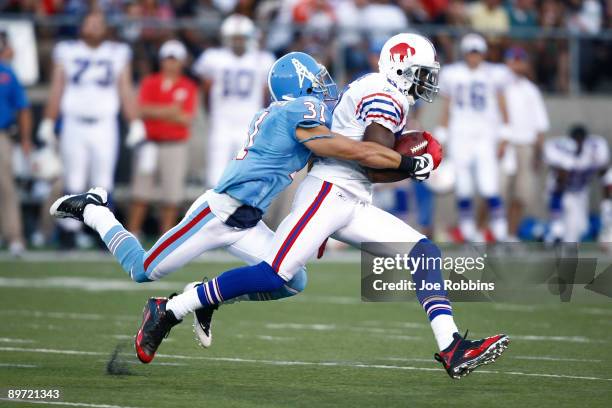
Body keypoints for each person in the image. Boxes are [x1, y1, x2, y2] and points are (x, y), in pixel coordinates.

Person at [153, 34, 509, 379]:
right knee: (275, 274)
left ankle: (451, 346)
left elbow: (370, 166)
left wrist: (408, 165)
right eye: (423, 72)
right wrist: (415, 166)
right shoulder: (385, 94)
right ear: (402, 68)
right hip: (329, 192)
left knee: (424, 252)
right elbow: (371, 163)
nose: (428, 80)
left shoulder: (382, 90)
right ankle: (172, 309)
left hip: (350, 197)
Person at [49, 51, 428, 351]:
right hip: (217, 214)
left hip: (248, 221)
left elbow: (324, 164)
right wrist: (405, 161)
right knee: (142, 269)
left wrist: (325, 224)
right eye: (316, 80)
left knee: (291, 279)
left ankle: (204, 297)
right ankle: (95, 210)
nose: (324, 87)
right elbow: (344, 149)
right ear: (299, 87)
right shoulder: (297, 111)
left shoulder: (292, 115)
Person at [38, 10, 144, 248]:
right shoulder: (67, 51)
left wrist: (135, 121)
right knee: (73, 179)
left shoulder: (117, 52)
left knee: (103, 181)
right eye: (90, 22)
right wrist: (48, 120)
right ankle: (68, 234)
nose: (94, 27)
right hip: (73, 123)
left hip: (104, 124)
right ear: (81, 26)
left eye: (99, 23)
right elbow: (57, 88)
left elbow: (125, 90)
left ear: (106, 28)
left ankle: (103, 234)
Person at [437, 33, 511, 242]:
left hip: (485, 134)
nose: (473, 57)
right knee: (464, 186)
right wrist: (441, 134)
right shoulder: (453, 73)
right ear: (464, 53)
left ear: (483, 53)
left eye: (477, 52)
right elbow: (446, 107)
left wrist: (505, 133)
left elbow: (503, 103)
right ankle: (469, 233)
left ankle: (500, 232)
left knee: (489, 185)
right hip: (459, 133)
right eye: (470, 52)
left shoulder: (495, 73)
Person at [193, 14, 275, 187]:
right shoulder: (213, 57)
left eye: (241, 38)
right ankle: (214, 212)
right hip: (222, 120)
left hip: (248, 121)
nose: (238, 42)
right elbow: (206, 91)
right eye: (234, 38)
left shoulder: (262, 59)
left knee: (246, 174)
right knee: (216, 175)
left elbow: (265, 95)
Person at [127, 40, 198, 236]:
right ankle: (132, 233)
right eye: (168, 59)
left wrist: (155, 112)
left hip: (174, 144)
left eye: (174, 59)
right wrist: (170, 111)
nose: (171, 63)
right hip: (149, 143)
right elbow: (140, 109)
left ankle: (164, 239)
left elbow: (185, 117)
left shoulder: (188, 86)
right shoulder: (150, 82)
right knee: (140, 192)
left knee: (171, 195)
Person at [501, 46, 549, 240]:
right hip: (504, 144)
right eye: (514, 60)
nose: (518, 64)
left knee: (522, 194)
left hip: (525, 146)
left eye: (521, 60)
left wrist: (539, 152)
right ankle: (485, 232)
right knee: (496, 191)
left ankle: (511, 235)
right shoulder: (499, 86)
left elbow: (540, 125)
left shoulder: (531, 90)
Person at [544, 124, 609, 243]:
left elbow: (605, 176)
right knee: (563, 229)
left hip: (580, 191)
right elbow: (560, 182)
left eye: (581, 140)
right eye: (576, 140)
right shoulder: (559, 149)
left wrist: (607, 205)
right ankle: (555, 236)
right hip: (560, 191)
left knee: (580, 228)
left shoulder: (595, 149)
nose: (578, 144)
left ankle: (550, 238)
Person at [0, 29, 32, 256]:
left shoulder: (7, 74)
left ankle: (14, 236)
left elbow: (23, 108)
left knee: (5, 187)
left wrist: (25, 139)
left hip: (1, 135)